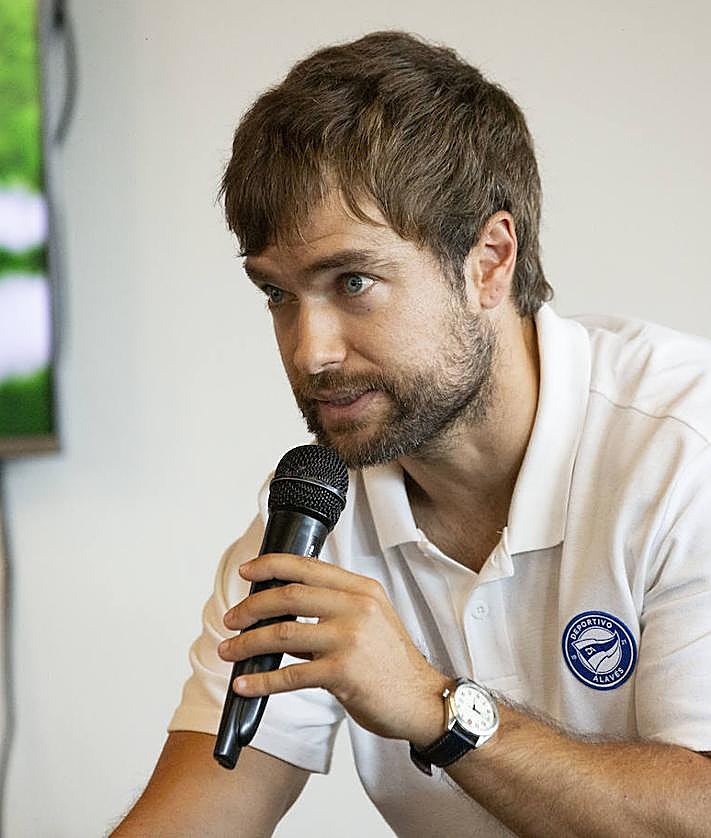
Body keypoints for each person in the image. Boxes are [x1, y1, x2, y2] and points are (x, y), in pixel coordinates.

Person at [112, 30, 711, 837]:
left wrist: (437, 709)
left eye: (351, 281)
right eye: (277, 294)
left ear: (489, 261)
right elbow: (200, 813)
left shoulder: (682, 448)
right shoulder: (312, 511)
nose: (308, 350)